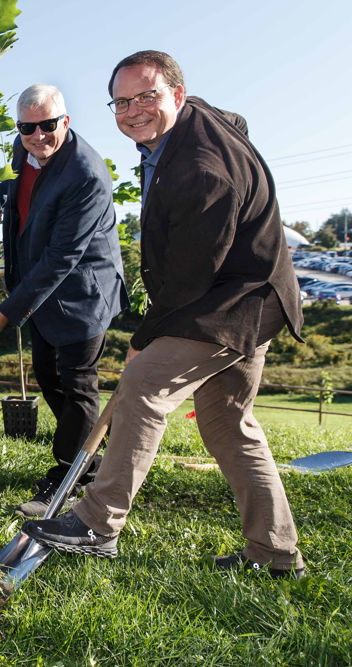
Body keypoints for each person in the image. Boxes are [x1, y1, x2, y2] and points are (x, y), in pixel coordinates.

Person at [23, 50, 306, 578]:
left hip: (231, 301)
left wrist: (145, 336)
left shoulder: (201, 170)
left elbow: (189, 276)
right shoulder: (194, 118)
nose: (134, 111)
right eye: (122, 100)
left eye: (147, 96)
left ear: (177, 94)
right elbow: (236, 122)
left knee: (144, 384)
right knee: (227, 422)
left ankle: (96, 524)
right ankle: (275, 554)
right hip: (245, 292)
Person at [0, 84, 127, 517]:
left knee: (78, 383)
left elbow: (63, 256)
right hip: (41, 292)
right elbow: (23, 186)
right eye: (27, 127)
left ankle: (65, 474)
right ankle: (97, 453)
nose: (37, 136)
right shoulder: (24, 147)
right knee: (48, 375)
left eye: (47, 125)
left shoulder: (85, 174)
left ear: (65, 120)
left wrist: (5, 312)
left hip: (82, 292)